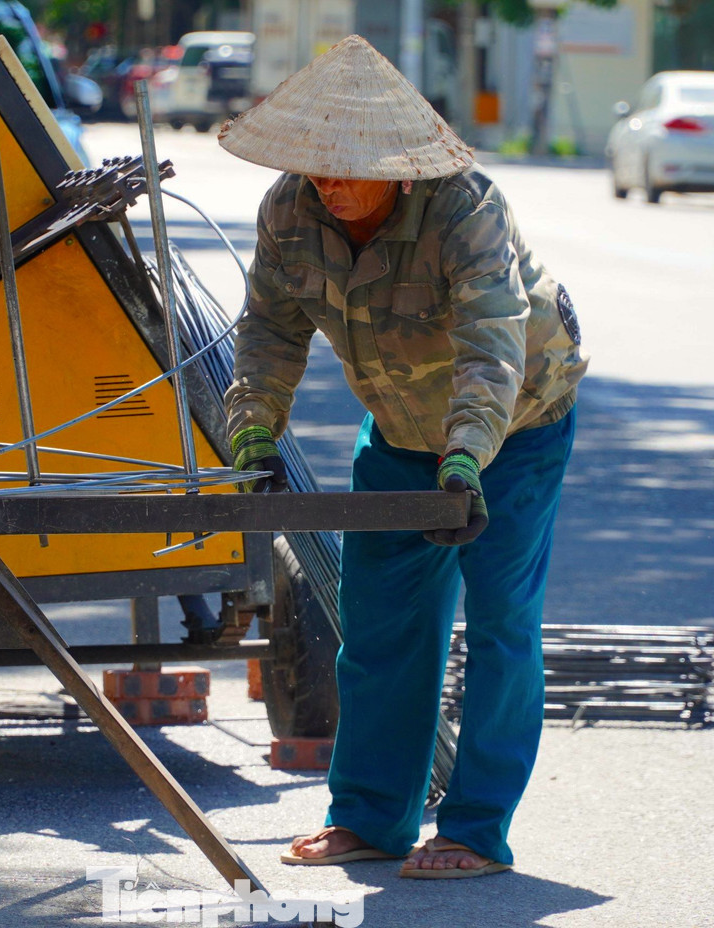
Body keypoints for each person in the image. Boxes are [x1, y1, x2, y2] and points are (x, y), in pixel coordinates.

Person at [218, 36, 587, 878]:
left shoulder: (466, 207)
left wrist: (467, 458)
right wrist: (254, 426)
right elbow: (269, 331)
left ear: (396, 164)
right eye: (316, 165)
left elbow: (491, 344)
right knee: (381, 626)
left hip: (514, 428)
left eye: (348, 168)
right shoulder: (289, 213)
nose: (329, 183)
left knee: (499, 622)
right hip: (399, 430)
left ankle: (475, 830)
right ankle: (370, 818)